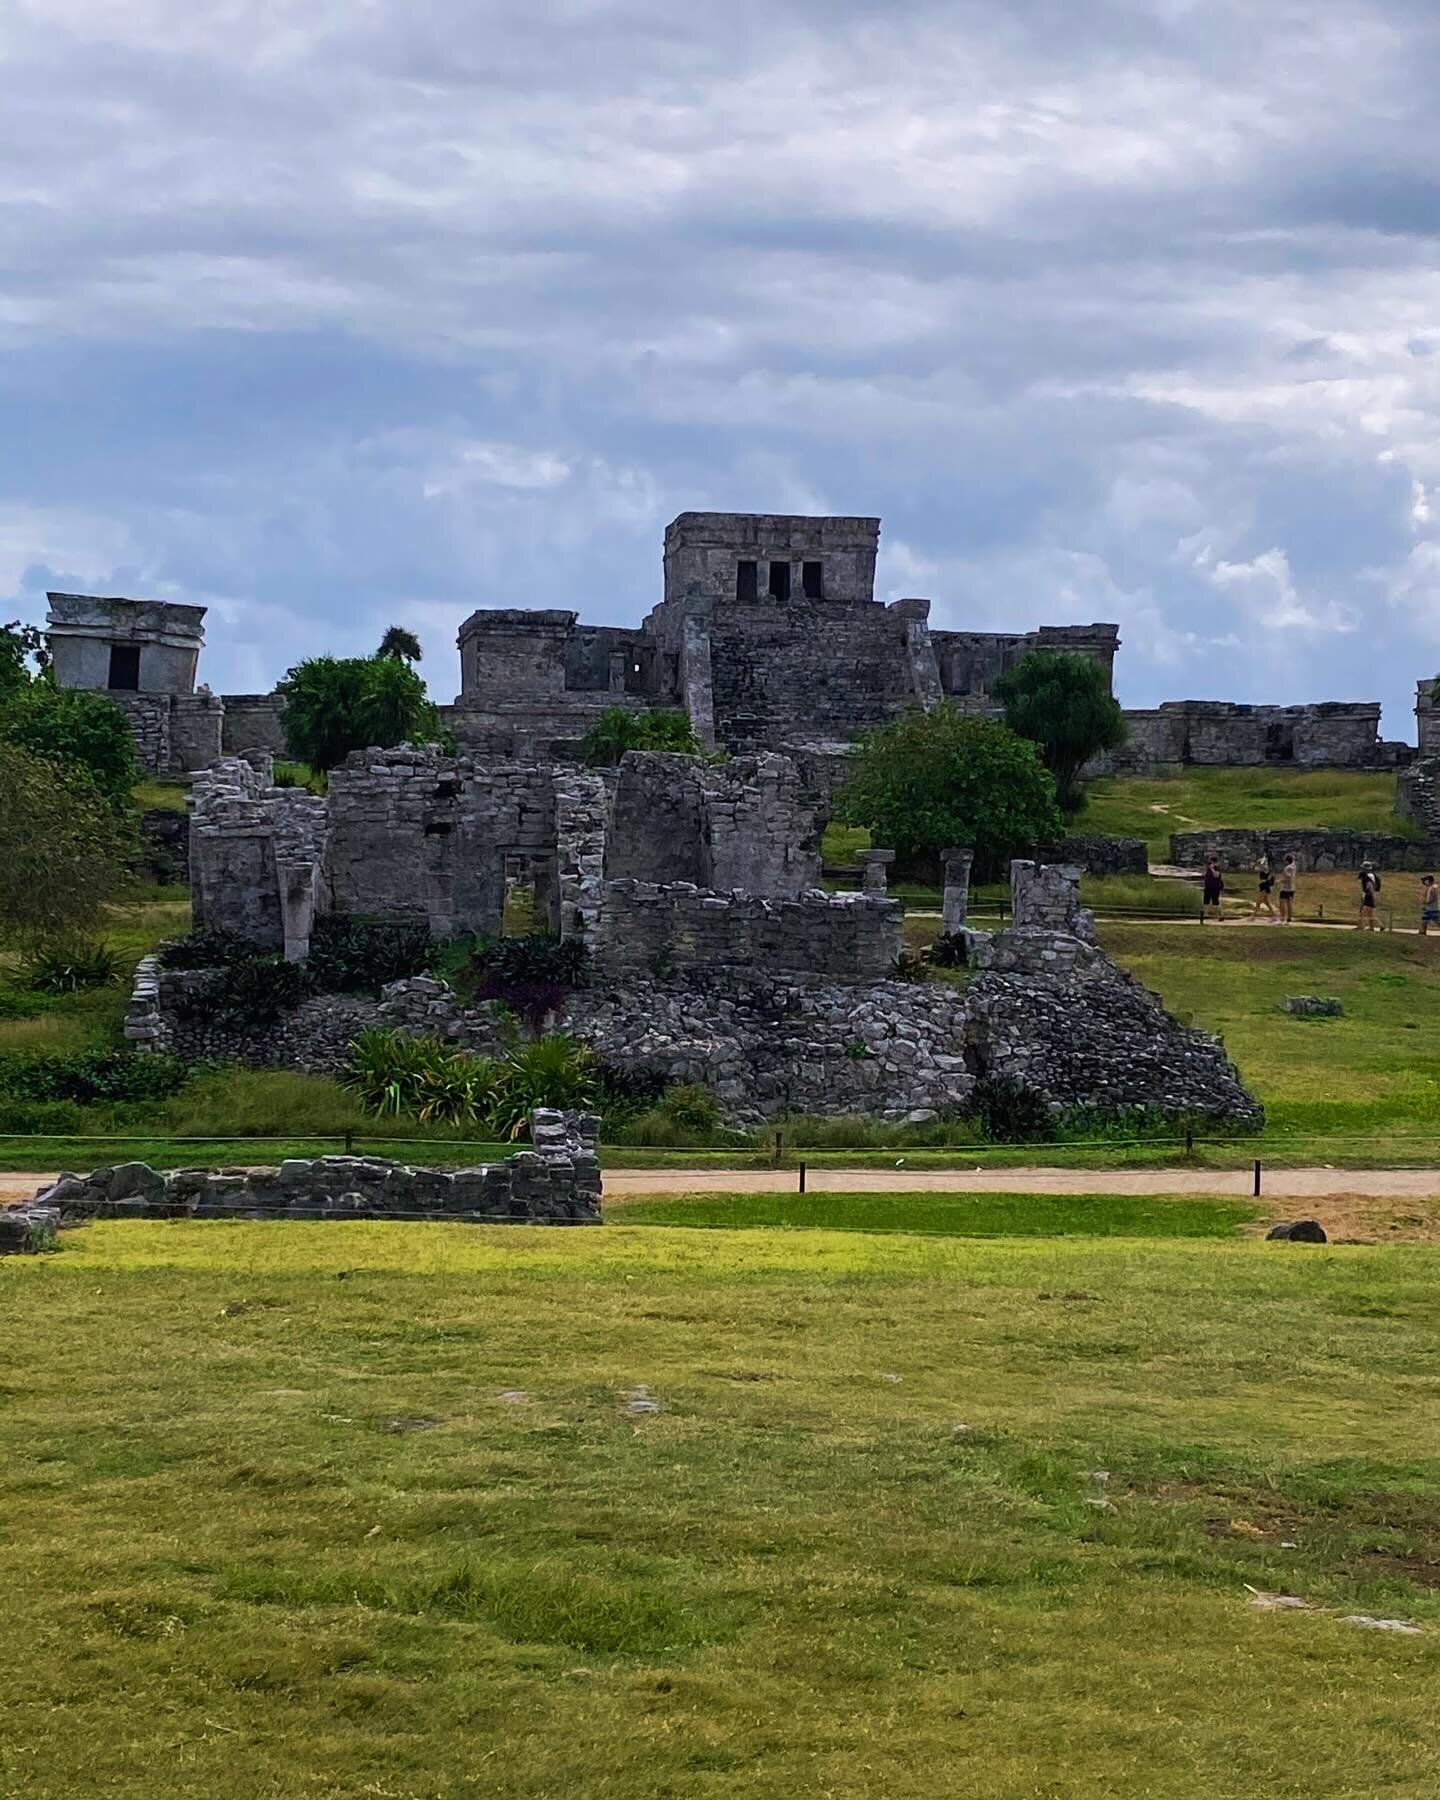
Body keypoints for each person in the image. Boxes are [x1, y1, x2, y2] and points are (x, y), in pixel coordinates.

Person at [1252, 851, 1277, 920]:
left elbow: (1259, 868)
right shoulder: (1266, 865)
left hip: (1266, 885)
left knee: (1258, 901)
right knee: (1267, 902)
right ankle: (1274, 915)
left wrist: (1258, 862)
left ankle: (1253, 916)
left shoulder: (1267, 866)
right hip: (1263, 885)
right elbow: (1257, 868)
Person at [1357, 861, 1381, 931]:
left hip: (1369, 895)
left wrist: (1368, 895)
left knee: (1363, 911)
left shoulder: (1368, 876)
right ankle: (1373, 927)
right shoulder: (1371, 875)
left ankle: (1361, 926)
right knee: (1370, 912)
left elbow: (1369, 887)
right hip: (1370, 894)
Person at [1202, 853, 1224, 921]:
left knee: (1215, 902)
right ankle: (1205, 915)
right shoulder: (1208, 868)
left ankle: (1221, 915)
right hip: (1208, 887)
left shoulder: (1216, 868)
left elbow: (1216, 875)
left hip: (1214, 887)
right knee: (1206, 902)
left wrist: (1212, 869)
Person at [1278, 855, 1297, 924]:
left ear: (1287, 861)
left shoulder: (1287, 868)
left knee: (1282, 902)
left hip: (1285, 888)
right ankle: (1289, 918)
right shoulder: (1294, 867)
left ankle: (1282, 918)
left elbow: (1288, 878)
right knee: (1289, 903)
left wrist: (1280, 881)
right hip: (1292, 888)